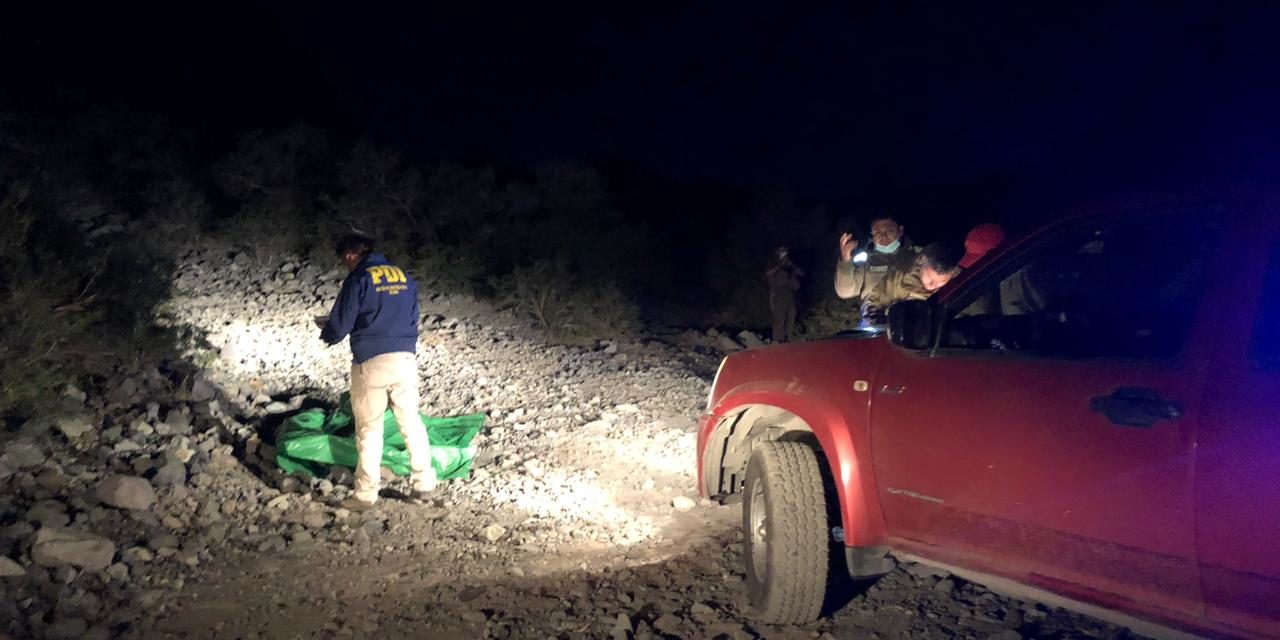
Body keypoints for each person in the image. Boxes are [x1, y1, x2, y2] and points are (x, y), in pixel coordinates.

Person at [320, 234, 435, 511]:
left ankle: (365, 494)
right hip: (406, 359)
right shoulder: (404, 277)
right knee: (411, 423)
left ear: (350, 255)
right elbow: (411, 316)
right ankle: (424, 485)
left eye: (343, 259)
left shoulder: (359, 278)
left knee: (370, 429)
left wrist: (327, 333)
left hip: (371, 361)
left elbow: (341, 323)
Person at [860, 241, 963, 326]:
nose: (932, 285)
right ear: (922, 260)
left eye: (940, 282)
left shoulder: (961, 284)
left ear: (953, 273)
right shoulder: (899, 275)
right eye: (929, 278)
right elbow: (874, 303)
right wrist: (878, 322)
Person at [834, 215, 921, 303]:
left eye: (890, 230)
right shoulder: (866, 261)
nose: (883, 236)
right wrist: (845, 261)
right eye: (877, 232)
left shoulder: (918, 257)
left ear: (900, 230)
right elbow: (845, 292)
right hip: (875, 315)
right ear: (872, 235)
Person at [765, 246, 803, 343]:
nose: (784, 254)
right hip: (778, 294)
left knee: (791, 315)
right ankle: (778, 340)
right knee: (779, 318)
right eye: (782, 252)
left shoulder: (789, 265)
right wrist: (780, 265)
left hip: (789, 294)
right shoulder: (773, 264)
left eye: (785, 252)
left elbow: (801, 273)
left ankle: (789, 338)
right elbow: (768, 274)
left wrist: (791, 266)